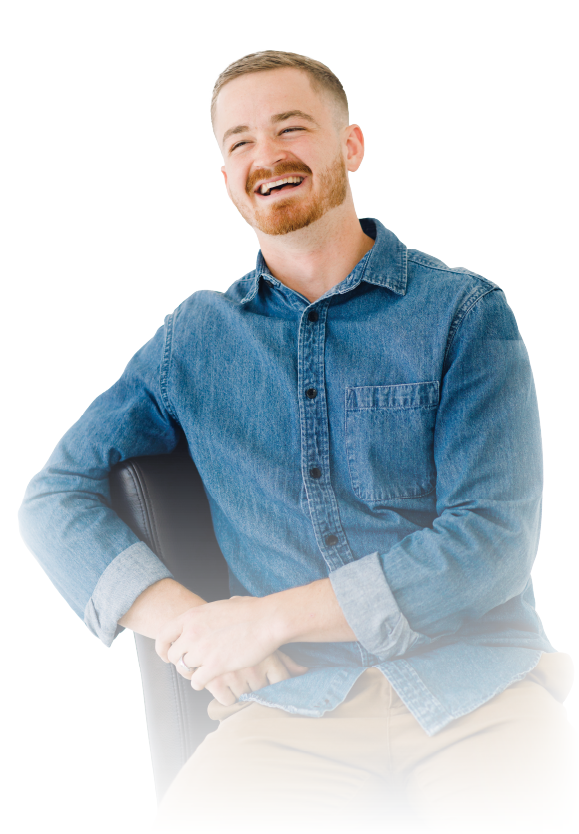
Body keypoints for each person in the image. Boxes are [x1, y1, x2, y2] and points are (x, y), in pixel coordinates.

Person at [19, 51, 577, 834]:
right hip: (292, 708)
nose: (266, 155)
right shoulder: (193, 340)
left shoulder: (463, 313)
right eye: (240, 141)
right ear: (225, 177)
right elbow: (54, 495)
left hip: (477, 687)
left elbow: (491, 544)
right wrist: (189, 624)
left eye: (290, 128)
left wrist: (265, 619)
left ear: (350, 145)